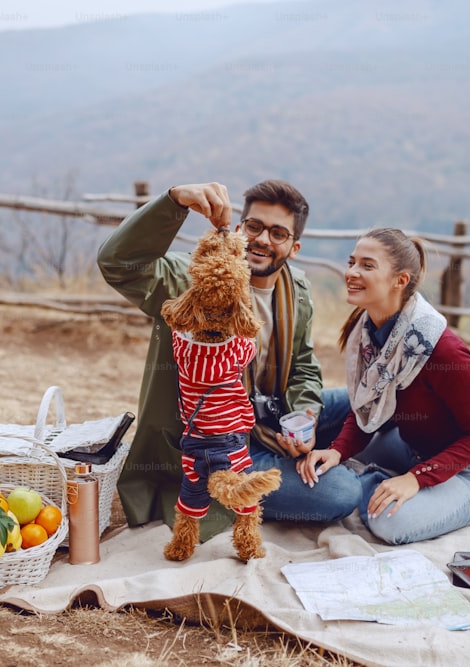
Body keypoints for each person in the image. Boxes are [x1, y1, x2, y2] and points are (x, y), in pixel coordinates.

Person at [97, 180, 361, 539]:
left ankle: (318, 459)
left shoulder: (296, 288)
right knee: (342, 492)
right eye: (255, 227)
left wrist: (307, 416)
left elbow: (303, 366)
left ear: (294, 247)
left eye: (278, 233)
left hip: (274, 416)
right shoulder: (194, 280)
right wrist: (174, 200)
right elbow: (118, 263)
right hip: (223, 444)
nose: (264, 239)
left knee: (361, 402)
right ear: (239, 229)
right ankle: (288, 479)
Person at [298, 228, 470, 544]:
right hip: (412, 448)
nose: (352, 273)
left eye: (367, 266)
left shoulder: (444, 350)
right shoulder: (367, 330)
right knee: (330, 439)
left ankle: (363, 482)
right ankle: (367, 477)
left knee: (389, 523)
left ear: (400, 280)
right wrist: (339, 452)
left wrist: (416, 479)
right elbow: (367, 405)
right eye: (351, 262)